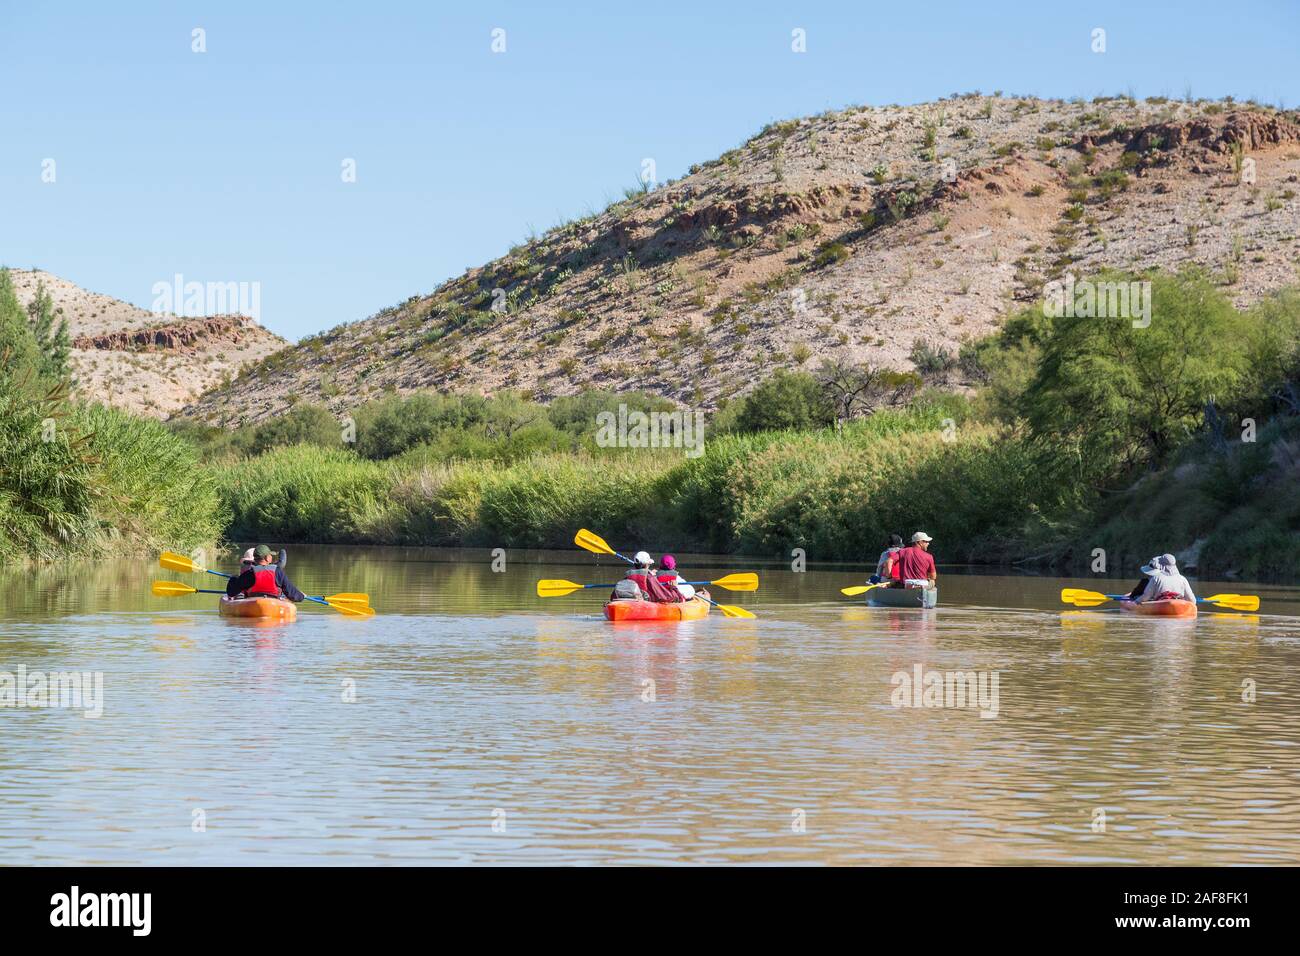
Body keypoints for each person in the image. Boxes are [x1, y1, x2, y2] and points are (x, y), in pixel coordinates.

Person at [226, 544, 305, 602]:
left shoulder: (249, 574)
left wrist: (233, 578)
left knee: (235, 578)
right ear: (267, 558)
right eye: (270, 555)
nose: (271, 557)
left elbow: (231, 592)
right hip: (273, 603)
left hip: (253, 604)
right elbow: (293, 595)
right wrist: (301, 596)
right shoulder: (278, 572)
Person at [1128, 553, 1196, 604]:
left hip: (1160, 604)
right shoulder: (1183, 579)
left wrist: (1136, 602)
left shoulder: (1156, 578)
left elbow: (1146, 597)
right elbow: (1192, 600)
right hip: (1178, 602)